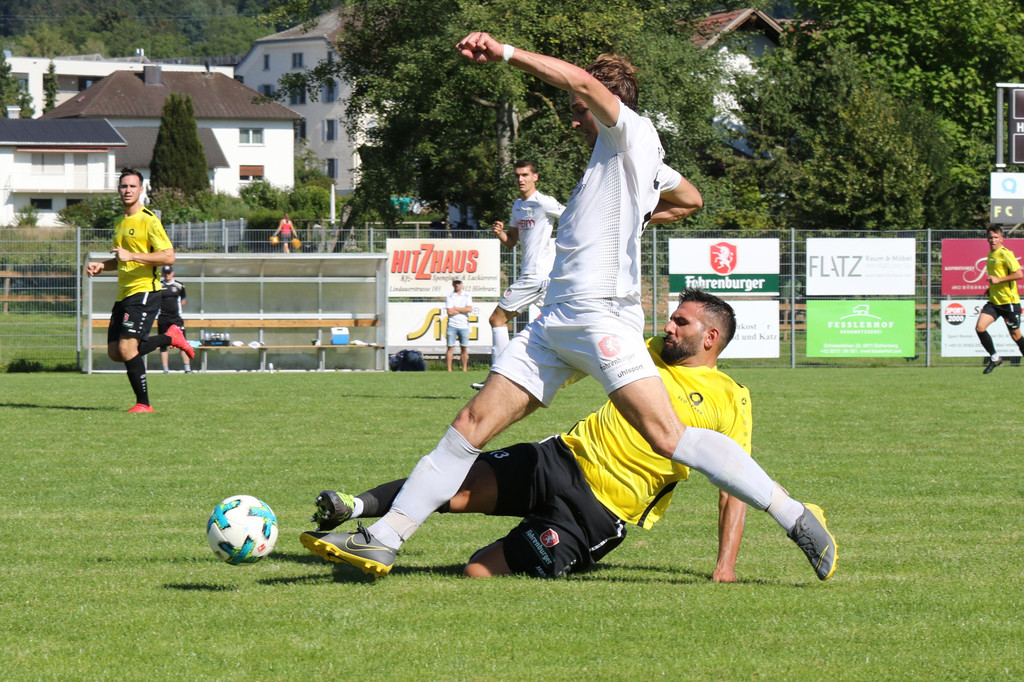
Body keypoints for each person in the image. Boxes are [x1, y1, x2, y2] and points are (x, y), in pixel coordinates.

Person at [300, 33, 836, 583]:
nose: (573, 117)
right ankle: (385, 539)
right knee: (470, 424)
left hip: (601, 316)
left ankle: (795, 515)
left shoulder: (632, 132)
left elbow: (587, 88)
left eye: (580, 108)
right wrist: (641, 212)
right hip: (555, 324)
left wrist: (504, 53)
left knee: (667, 438)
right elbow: (690, 198)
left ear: (606, 102)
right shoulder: (622, 160)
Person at [306, 290, 752, 581]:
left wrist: (725, 565)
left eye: (681, 323)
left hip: (598, 513)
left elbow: (733, 487)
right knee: (453, 485)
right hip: (558, 459)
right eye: (671, 319)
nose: (668, 327)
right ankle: (355, 508)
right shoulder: (644, 350)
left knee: (478, 572)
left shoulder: (732, 398)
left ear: (710, 337)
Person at [86, 168, 194, 413]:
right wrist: (102, 266)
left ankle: (144, 404)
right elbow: (122, 259)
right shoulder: (119, 222)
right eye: (124, 186)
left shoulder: (149, 220)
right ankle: (171, 337)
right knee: (116, 353)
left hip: (145, 291)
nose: (128, 190)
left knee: (127, 349)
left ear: (141, 190)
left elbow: (168, 256)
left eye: (132, 186)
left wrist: (132, 255)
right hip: (123, 293)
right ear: (118, 190)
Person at [472, 160, 565, 389]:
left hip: (535, 276)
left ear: (535, 177)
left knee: (497, 319)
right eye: (517, 176)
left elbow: (572, 216)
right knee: (554, 328)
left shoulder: (544, 202)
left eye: (525, 175)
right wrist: (500, 234)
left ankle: (498, 380)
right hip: (541, 277)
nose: (520, 179)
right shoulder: (517, 206)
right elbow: (511, 242)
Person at [975, 224, 1024, 373]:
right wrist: (991, 288)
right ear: (987, 239)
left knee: (1015, 335)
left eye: (996, 237)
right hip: (995, 302)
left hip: (1009, 302)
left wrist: (998, 280)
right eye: (990, 237)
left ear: (1002, 238)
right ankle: (995, 358)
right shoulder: (991, 255)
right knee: (980, 328)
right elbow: (996, 276)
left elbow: (1019, 274)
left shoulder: (1005, 254)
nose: (993, 240)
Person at [156, 265, 192, 374]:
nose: (167, 275)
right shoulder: (159, 285)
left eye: (169, 272)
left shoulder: (179, 285)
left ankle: (187, 368)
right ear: (163, 274)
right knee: (163, 344)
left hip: (176, 318)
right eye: (165, 273)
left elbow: (183, 298)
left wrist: (179, 308)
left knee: (183, 342)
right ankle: (165, 369)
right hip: (163, 318)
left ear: (173, 273)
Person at [445, 279, 473, 372]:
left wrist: (456, 308)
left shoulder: (467, 295)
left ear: (461, 284)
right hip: (452, 325)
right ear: (453, 284)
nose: (457, 285)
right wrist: (462, 309)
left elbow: (469, 309)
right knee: (450, 347)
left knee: (464, 348)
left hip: (464, 325)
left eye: (458, 283)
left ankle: (464, 369)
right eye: (455, 283)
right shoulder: (449, 296)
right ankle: (449, 369)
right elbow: (449, 312)